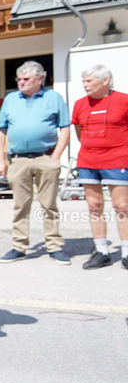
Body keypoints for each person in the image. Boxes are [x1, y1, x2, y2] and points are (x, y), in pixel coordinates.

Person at [0, 61, 71, 264]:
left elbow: (65, 128)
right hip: (18, 160)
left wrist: (56, 157)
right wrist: (0, 159)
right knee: (21, 205)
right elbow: (1, 131)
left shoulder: (53, 97)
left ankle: (54, 246)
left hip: (46, 158)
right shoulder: (11, 99)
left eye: (26, 79)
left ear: (39, 79)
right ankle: (19, 246)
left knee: (49, 205)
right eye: (18, 79)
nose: (21, 82)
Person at [71, 64, 128, 269]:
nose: (85, 85)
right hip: (88, 161)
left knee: (122, 206)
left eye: (89, 81)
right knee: (94, 205)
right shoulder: (80, 104)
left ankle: (126, 252)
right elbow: (79, 132)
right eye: (83, 81)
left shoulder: (123, 100)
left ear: (105, 81)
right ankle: (101, 251)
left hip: (118, 159)